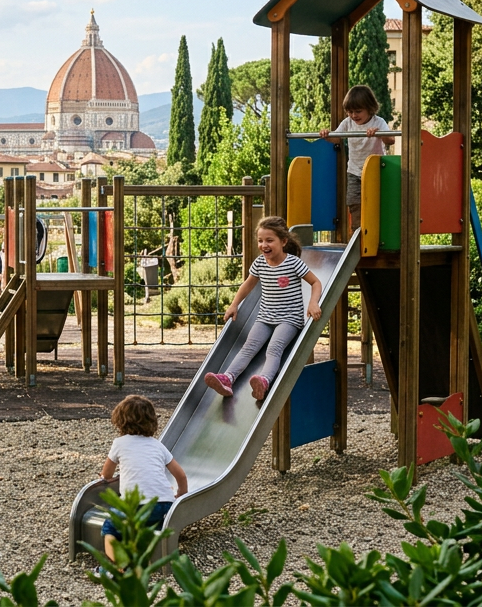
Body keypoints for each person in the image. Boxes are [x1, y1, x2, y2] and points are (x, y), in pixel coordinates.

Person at [204, 217, 323, 402]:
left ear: (283, 242)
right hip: (265, 317)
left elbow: (315, 282)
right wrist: (234, 304)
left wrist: (313, 302)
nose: (263, 245)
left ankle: (264, 381)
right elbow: (247, 284)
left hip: (289, 319)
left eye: (269, 240)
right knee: (248, 347)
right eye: (260, 240)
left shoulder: (293, 263)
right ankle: (228, 378)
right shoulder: (260, 263)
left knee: (274, 349)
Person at [97, 395, 187, 569]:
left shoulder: (119, 443)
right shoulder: (157, 445)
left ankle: (119, 567)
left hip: (136, 507)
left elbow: (107, 474)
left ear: (120, 421)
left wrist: (105, 476)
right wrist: (180, 496)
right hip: (164, 506)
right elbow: (181, 475)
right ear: (152, 421)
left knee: (110, 529)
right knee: (151, 527)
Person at [319, 84, 394, 226]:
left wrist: (378, 133)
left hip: (375, 171)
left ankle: (375, 229)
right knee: (353, 202)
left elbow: (391, 140)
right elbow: (337, 137)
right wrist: (327, 135)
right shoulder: (348, 123)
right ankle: (357, 232)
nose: (354, 115)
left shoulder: (378, 122)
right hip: (354, 171)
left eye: (358, 111)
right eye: (350, 111)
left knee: (374, 201)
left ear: (370, 108)